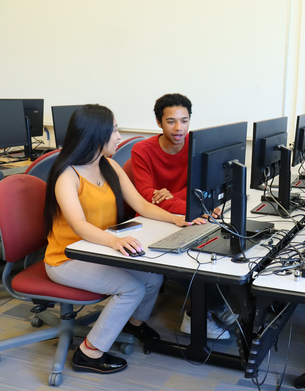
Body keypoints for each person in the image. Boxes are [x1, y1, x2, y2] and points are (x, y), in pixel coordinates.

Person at [44, 104, 201, 374]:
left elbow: (141, 202)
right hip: (67, 257)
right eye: (114, 130)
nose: (119, 136)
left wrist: (176, 219)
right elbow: (79, 225)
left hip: (100, 249)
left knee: (153, 277)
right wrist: (113, 241)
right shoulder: (66, 175)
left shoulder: (109, 166)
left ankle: (133, 323)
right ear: (96, 134)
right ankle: (88, 353)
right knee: (133, 288)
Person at [131, 93, 234, 339]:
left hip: (187, 217)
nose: (179, 128)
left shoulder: (197, 147)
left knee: (220, 253)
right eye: (171, 121)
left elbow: (201, 189)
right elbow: (147, 197)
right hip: (153, 221)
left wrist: (172, 197)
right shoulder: (142, 150)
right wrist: (191, 203)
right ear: (159, 122)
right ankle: (196, 318)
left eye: (184, 121)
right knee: (195, 264)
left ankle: (218, 307)